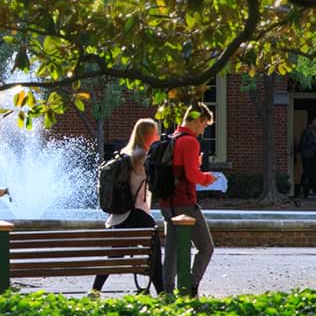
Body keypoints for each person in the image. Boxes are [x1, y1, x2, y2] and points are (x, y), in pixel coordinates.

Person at [91, 118, 160, 296]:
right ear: (148, 135)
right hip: (137, 214)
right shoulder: (142, 157)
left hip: (121, 215)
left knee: (115, 255)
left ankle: (95, 290)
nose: (158, 136)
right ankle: (162, 293)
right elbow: (155, 183)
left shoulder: (126, 154)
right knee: (154, 256)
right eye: (155, 133)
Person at [162, 104, 220, 297]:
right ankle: (189, 287)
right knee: (206, 246)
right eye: (204, 124)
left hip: (167, 203)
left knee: (172, 249)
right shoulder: (190, 142)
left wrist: (196, 165)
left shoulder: (174, 138)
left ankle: (167, 291)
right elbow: (192, 175)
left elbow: (180, 170)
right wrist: (207, 178)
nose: (204, 129)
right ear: (197, 120)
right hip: (185, 203)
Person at [293, 118, 316, 198]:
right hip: (307, 155)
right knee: (307, 172)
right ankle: (302, 190)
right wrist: (312, 142)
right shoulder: (306, 132)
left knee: (314, 173)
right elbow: (302, 144)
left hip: (315, 155)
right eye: (315, 122)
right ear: (311, 124)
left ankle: (312, 191)